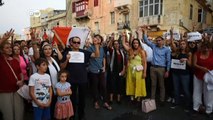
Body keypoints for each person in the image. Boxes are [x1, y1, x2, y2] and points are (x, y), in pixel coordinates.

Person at [60, 36, 100, 120]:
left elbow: (96, 55)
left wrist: (96, 45)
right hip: (71, 80)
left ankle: (81, 115)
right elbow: (62, 67)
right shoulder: (67, 52)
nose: (76, 44)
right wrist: (67, 59)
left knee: (82, 99)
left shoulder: (84, 52)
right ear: (71, 43)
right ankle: (72, 115)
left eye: (78, 42)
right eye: (75, 42)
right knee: (72, 99)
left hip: (83, 79)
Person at [142, 27, 171, 105]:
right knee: (153, 84)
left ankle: (162, 100)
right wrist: (145, 32)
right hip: (153, 68)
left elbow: (168, 60)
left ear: (163, 41)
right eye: (157, 40)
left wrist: (167, 71)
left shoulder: (167, 49)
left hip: (161, 69)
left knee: (161, 85)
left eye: (159, 40)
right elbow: (146, 41)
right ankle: (152, 99)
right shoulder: (154, 46)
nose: (158, 42)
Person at [0, 29, 24, 120]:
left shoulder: (14, 60)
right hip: (4, 92)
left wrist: (21, 81)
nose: (10, 49)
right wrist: (4, 38)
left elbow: (20, 73)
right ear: (1, 50)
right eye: (6, 47)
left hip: (17, 91)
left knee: (19, 114)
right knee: (8, 115)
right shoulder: (1, 59)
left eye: (10, 47)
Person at [87, 34, 112, 110]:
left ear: (101, 41)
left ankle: (105, 102)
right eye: (96, 38)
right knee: (95, 87)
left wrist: (104, 66)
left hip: (101, 70)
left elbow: (103, 57)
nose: (97, 39)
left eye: (99, 38)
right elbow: (97, 55)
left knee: (104, 86)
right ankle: (96, 102)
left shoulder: (102, 48)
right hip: (93, 70)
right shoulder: (90, 48)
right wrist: (96, 46)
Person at [170, 28, 192, 111]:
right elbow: (172, 43)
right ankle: (176, 103)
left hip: (185, 74)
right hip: (176, 73)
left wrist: (186, 60)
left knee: (186, 90)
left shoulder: (188, 53)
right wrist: (172, 34)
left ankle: (188, 105)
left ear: (186, 45)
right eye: (181, 44)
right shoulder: (177, 51)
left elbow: (190, 65)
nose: (182, 45)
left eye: (183, 44)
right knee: (176, 89)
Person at [122, 32, 147, 102]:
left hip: (139, 71)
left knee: (139, 83)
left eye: (137, 43)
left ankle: (138, 96)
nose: (135, 44)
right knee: (131, 83)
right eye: (134, 43)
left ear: (139, 44)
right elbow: (124, 44)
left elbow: (144, 63)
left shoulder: (142, 51)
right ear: (132, 44)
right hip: (130, 70)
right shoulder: (130, 50)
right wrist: (124, 36)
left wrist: (144, 72)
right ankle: (132, 95)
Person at [193, 41, 213, 116]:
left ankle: (209, 110)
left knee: (209, 93)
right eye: (205, 48)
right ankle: (196, 108)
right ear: (201, 48)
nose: (206, 49)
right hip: (198, 75)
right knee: (197, 92)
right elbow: (194, 64)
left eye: (208, 48)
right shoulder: (197, 54)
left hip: (209, 76)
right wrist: (202, 68)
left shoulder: (212, 53)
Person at [107, 39, 126, 104]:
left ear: (119, 44)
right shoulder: (112, 51)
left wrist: (123, 70)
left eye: (117, 44)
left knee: (119, 84)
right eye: (115, 44)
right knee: (112, 84)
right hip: (113, 70)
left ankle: (118, 99)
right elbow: (109, 46)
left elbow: (124, 62)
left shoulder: (122, 51)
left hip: (120, 70)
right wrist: (111, 39)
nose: (116, 45)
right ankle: (111, 99)